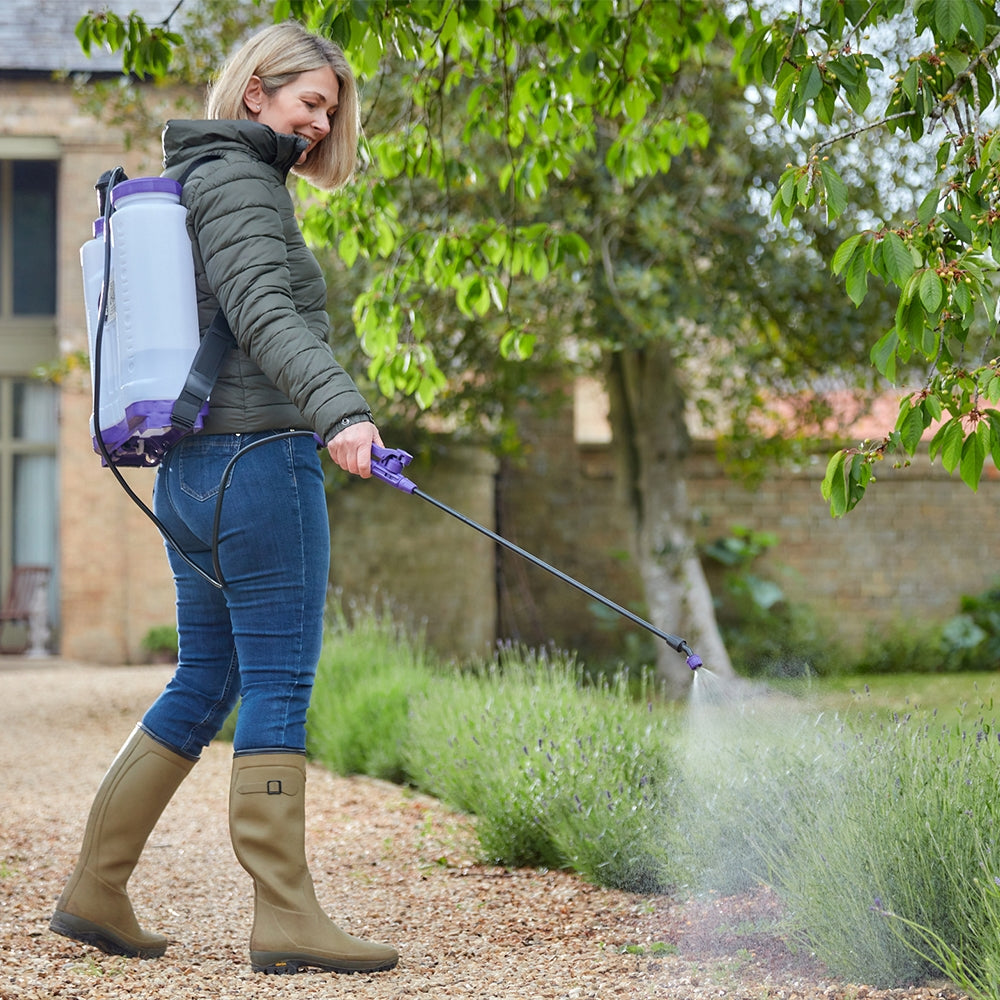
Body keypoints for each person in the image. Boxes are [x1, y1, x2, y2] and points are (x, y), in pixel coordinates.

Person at [49, 22, 398, 976]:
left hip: (194, 475)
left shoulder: (202, 177)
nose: (322, 124)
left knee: (204, 680)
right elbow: (264, 310)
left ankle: (96, 888)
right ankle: (286, 915)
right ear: (256, 94)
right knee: (278, 681)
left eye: (330, 110)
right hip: (262, 466)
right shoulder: (245, 183)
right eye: (309, 103)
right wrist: (341, 413)